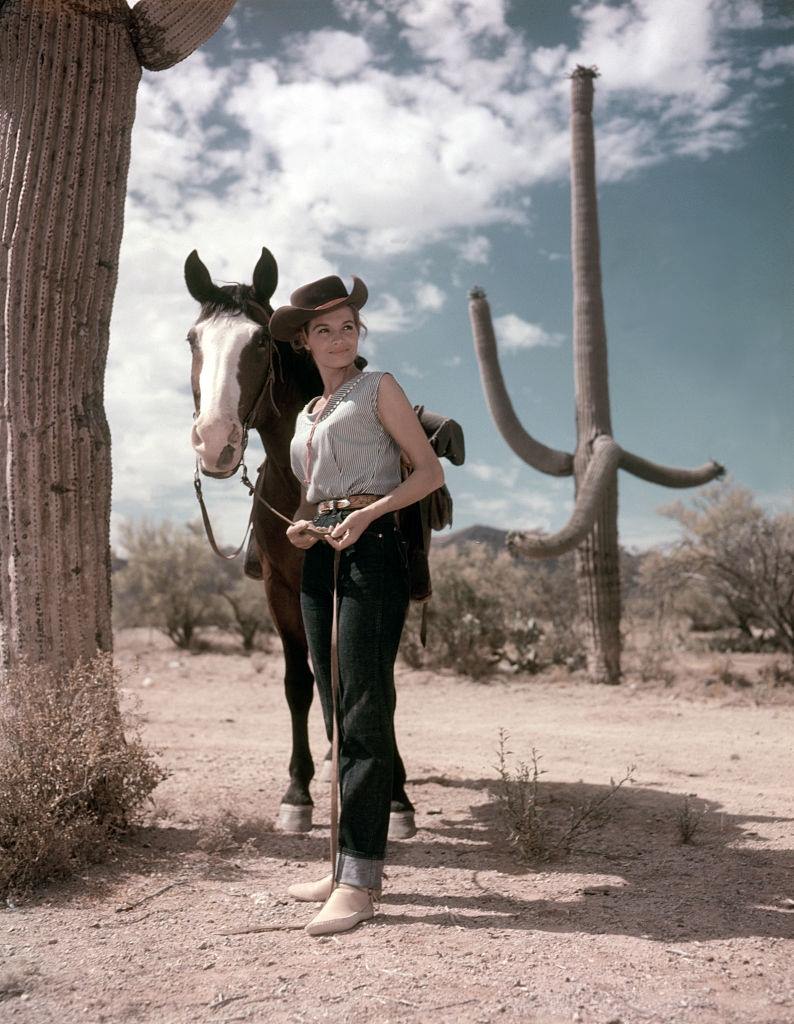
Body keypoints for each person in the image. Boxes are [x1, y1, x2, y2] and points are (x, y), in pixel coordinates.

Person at [269, 274, 444, 936]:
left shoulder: (380, 389)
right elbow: (315, 492)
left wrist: (369, 515)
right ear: (305, 341)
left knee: (365, 708)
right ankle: (339, 862)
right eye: (324, 329)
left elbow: (427, 473)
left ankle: (361, 883)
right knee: (333, 703)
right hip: (322, 552)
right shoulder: (310, 413)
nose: (339, 338)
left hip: (374, 552)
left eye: (348, 326)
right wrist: (303, 522)